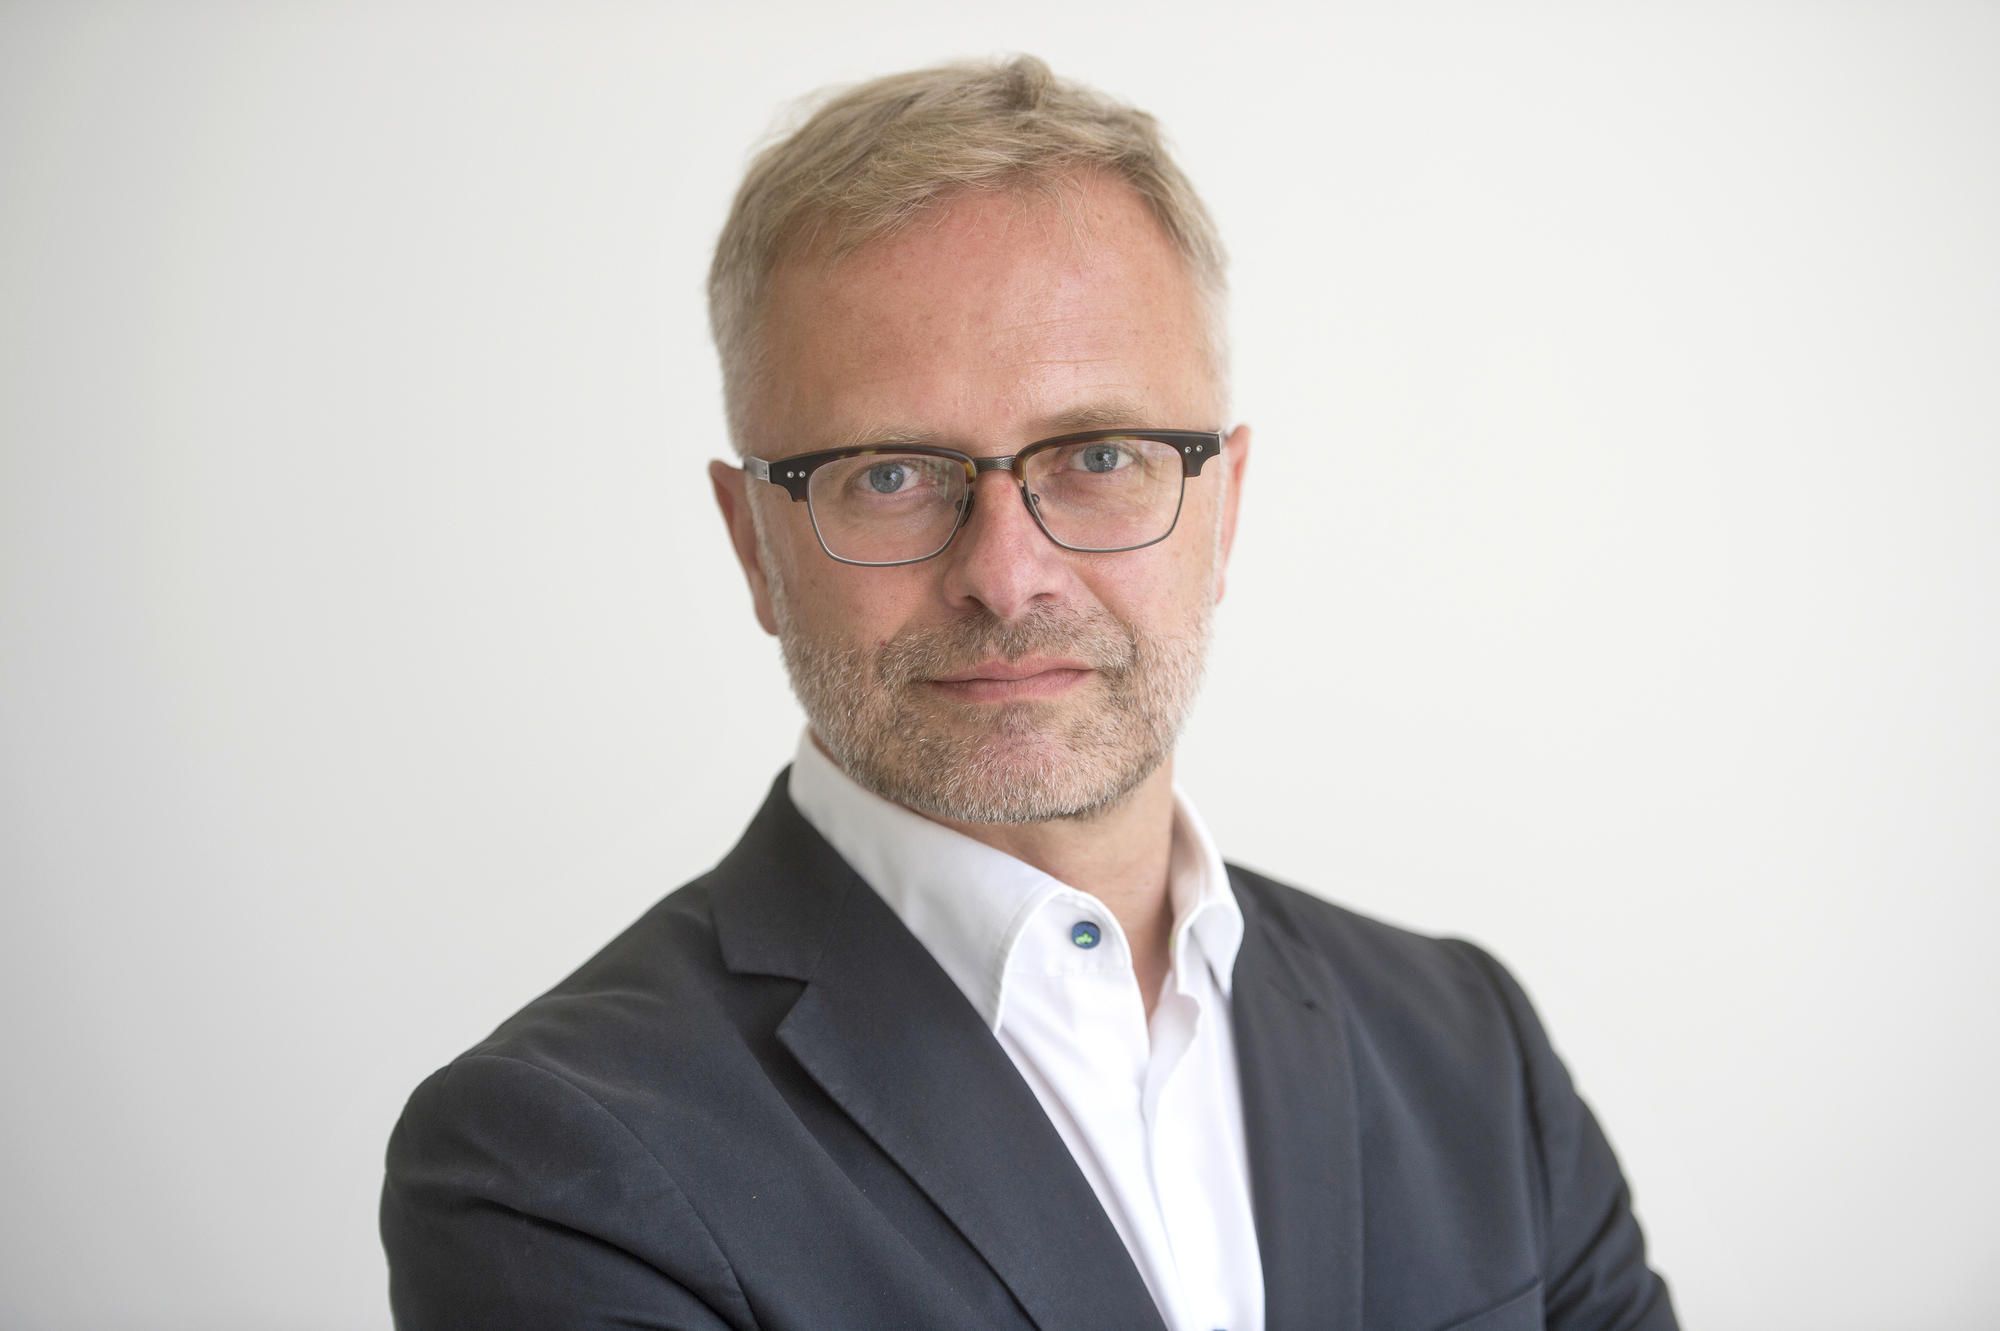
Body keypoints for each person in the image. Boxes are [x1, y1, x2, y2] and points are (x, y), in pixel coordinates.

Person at [381, 55, 1678, 1331]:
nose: (1006, 578)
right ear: (752, 545)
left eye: (1100, 456)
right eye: (890, 475)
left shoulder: (1471, 1053)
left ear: (1223, 508)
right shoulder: (555, 1166)